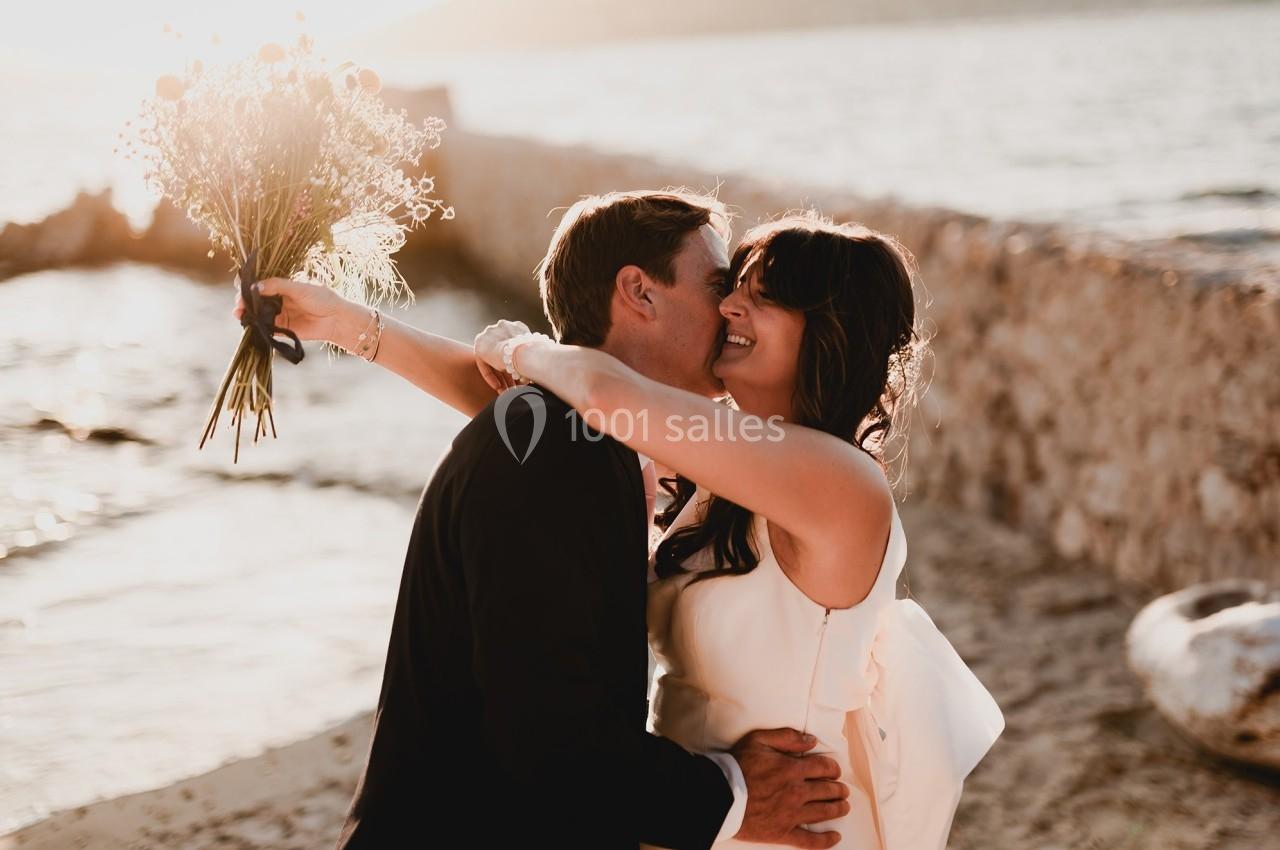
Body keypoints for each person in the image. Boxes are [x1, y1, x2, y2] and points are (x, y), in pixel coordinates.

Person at [237, 190, 852, 849]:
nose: (730, 308)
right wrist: (731, 794)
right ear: (639, 293)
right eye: (716, 284)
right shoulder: (553, 449)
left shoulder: (574, 437)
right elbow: (553, 740)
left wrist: (355, 326)